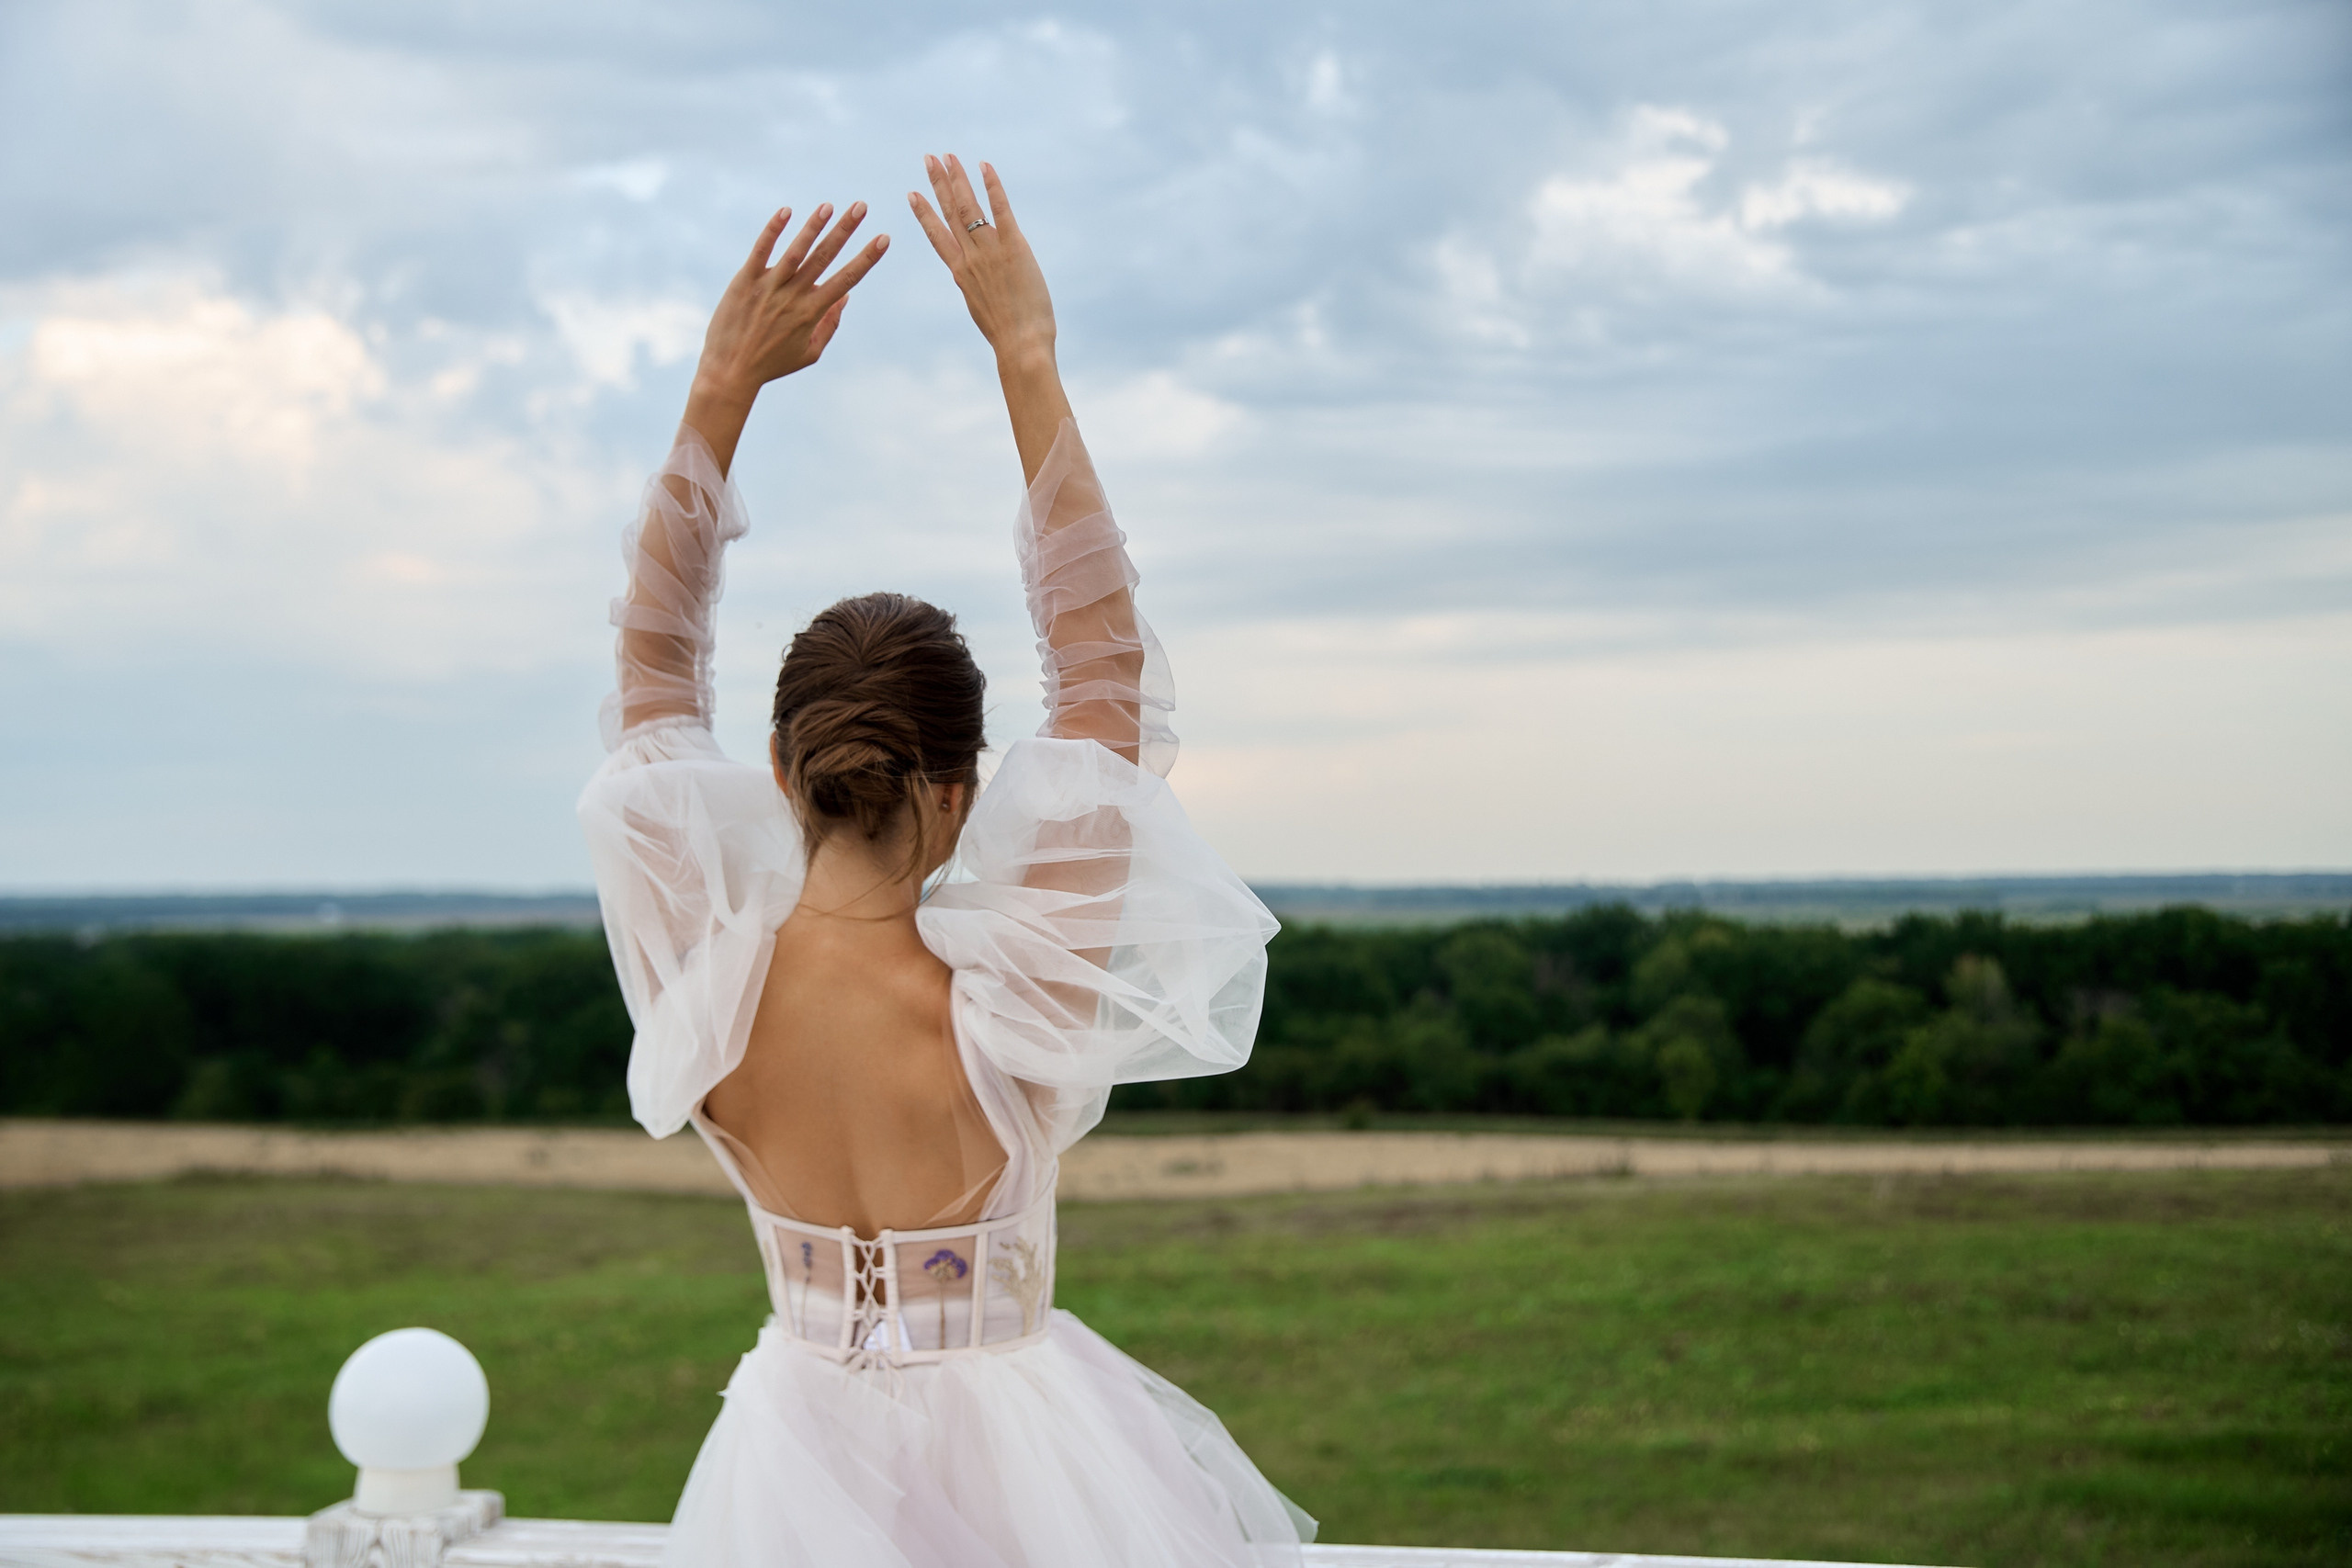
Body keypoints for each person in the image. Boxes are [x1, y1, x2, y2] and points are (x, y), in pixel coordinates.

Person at [577, 153, 1313, 1566]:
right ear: (965, 794)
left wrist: (720, 394)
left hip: (788, 1463)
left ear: (783, 774)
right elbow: (1103, 679)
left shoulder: (707, 976)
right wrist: (1023, 353)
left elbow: (652, 679)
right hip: (1040, 1470)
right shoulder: (1012, 995)